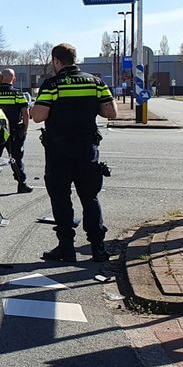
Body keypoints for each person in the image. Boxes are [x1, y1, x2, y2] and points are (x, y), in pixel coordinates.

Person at [31, 43, 118, 263]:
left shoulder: (53, 84)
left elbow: (38, 116)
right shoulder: (96, 82)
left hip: (59, 152)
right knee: (90, 197)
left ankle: (67, 249)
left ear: (56, 61)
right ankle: (98, 248)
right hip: (87, 150)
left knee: (61, 199)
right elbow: (111, 113)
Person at [0, 68, 33, 193]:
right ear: (14, 79)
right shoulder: (18, 95)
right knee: (16, 159)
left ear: (1, 78)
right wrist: (25, 130)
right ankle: (22, 184)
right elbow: (25, 114)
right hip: (13, 132)